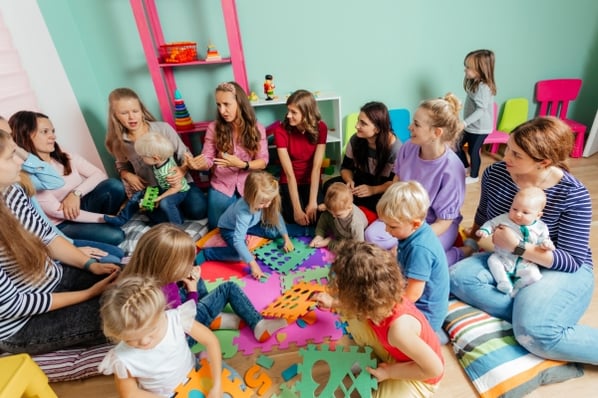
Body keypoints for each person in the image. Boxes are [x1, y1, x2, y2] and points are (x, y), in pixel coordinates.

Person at [450, 117, 598, 365]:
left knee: (534, 334)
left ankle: (535, 320)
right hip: (507, 257)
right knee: (456, 277)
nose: (506, 156)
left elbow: (572, 261)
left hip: (557, 265)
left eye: (516, 155)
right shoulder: (497, 173)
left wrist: (517, 246)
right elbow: (483, 216)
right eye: (508, 147)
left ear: (544, 162)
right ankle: (531, 311)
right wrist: (473, 245)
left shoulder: (574, 194)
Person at [0, 128, 120, 354]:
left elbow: (48, 238)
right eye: (10, 157)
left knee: (139, 282)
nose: (19, 163)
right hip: (20, 323)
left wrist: (90, 265)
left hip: (54, 279)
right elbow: (12, 305)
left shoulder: (13, 191)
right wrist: (88, 294)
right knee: (131, 313)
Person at [314, 240, 444, 398]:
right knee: (351, 316)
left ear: (364, 301)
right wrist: (333, 303)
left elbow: (434, 369)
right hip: (395, 351)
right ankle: (373, 360)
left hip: (419, 374)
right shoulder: (383, 295)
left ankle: (379, 365)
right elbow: (354, 305)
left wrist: (390, 372)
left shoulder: (399, 331)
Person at [121, 223, 288, 342]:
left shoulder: (142, 276)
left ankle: (214, 318)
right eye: (183, 263)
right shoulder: (166, 290)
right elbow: (187, 317)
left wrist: (189, 279)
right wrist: (192, 289)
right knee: (228, 287)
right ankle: (258, 324)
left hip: (175, 324)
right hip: (187, 334)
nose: (189, 265)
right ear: (167, 266)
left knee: (192, 276)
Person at [1, 115, 124, 264]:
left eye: (12, 136)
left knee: (113, 186)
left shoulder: (61, 157)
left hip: (64, 224)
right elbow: (53, 215)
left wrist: (76, 193)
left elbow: (57, 180)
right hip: (59, 226)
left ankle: (99, 227)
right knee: (116, 243)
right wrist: (105, 220)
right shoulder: (21, 176)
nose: (53, 136)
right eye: (45, 132)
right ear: (27, 136)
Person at [365, 94, 469, 265]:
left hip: (434, 225)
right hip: (404, 217)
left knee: (415, 256)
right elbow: (397, 183)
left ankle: (462, 252)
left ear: (436, 133)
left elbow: (443, 222)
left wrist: (407, 241)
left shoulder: (452, 169)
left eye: (416, 125)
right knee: (372, 236)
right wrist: (390, 217)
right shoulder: (408, 148)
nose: (409, 127)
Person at [99, 275, 223, 398]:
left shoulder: (177, 318)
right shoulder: (121, 359)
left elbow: (210, 341)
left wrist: (217, 385)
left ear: (162, 311)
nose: (144, 341)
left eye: (152, 330)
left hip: (195, 373)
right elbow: (130, 394)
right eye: (131, 339)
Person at [105, 87, 207, 221]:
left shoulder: (163, 129)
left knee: (198, 211)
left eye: (135, 111)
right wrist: (127, 175)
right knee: (160, 218)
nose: (131, 117)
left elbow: (185, 154)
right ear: (115, 116)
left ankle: (175, 206)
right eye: (124, 113)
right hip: (153, 189)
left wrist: (181, 170)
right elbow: (121, 166)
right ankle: (172, 210)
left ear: (142, 110)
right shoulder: (119, 142)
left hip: (179, 183)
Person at [186, 82, 268, 229]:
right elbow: (208, 158)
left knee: (251, 227)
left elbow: (263, 161)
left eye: (226, 104)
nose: (222, 110)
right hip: (222, 185)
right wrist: (198, 164)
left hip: (249, 185)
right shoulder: (214, 128)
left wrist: (242, 165)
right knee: (218, 227)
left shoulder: (257, 128)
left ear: (239, 103)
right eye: (218, 105)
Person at [375, 181, 449, 339]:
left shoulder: (420, 249)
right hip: (410, 295)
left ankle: (430, 339)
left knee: (388, 331)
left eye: (392, 227)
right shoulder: (414, 232)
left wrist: (387, 309)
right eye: (386, 224)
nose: (387, 231)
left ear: (414, 224)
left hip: (425, 315)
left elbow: (412, 295)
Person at [196, 171, 294, 280]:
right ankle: (207, 254)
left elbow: (276, 215)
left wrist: (286, 238)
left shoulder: (266, 201)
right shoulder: (243, 212)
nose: (267, 205)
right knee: (238, 255)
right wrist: (253, 265)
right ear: (250, 198)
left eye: (269, 201)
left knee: (274, 232)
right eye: (262, 203)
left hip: (250, 225)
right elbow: (238, 241)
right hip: (229, 229)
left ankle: (309, 231)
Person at [323, 101, 401, 213]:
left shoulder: (396, 149)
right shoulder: (355, 139)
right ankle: (348, 208)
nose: (356, 126)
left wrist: (373, 190)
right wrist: (349, 181)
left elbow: (395, 184)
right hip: (358, 182)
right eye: (358, 120)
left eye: (363, 123)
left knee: (389, 205)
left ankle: (348, 209)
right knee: (329, 186)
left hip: (380, 189)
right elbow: (346, 167)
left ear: (377, 129)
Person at [476, 186, 554, 296]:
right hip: (502, 257)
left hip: (525, 262)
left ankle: (518, 291)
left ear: (538, 215)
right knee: (492, 261)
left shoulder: (541, 227)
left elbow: (544, 240)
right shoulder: (505, 218)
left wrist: (546, 244)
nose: (518, 214)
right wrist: (485, 230)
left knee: (533, 275)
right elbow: (491, 223)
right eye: (514, 209)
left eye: (525, 212)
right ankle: (503, 282)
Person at [105, 131, 190, 226]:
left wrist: (160, 198)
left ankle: (177, 227)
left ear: (155, 158)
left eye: (143, 157)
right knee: (139, 196)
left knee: (165, 203)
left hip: (178, 191)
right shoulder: (162, 160)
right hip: (165, 188)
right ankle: (122, 218)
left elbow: (176, 188)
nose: (141, 158)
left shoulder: (167, 171)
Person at [273, 89, 327, 234]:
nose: (288, 115)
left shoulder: (321, 128)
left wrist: (313, 202)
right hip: (290, 180)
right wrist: (297, 209)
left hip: (311, 179)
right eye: (288, 111)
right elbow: (289, 174)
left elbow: (316, 168)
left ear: (307, 113)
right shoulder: (280, 130)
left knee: (317, 217)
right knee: (295, 217)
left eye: (293, 112)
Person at [454, 49, 497, 184]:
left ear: (481, 70)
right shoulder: (475, 83)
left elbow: (481, 111)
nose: (465, 70)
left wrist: (464, 123)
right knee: (456, 145)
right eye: (465, 66)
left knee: (473, 151)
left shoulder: (483, 88)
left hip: (480, 128)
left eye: (469, 68)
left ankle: (474, 176)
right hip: (471, 126)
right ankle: (466, 167)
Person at [309, 182, 368, 250]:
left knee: (347, 247)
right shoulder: (340, 210)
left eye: (338, 214)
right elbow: (329, 214)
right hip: (339, 227)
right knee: (324, 215)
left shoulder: (356, 223)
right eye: (331, 213)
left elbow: (358, 246)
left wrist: (330, 243)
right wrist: (319, 235)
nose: (333, 216)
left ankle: (329, 242)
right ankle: (320, 236)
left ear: (350, 207)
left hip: (349, 236)